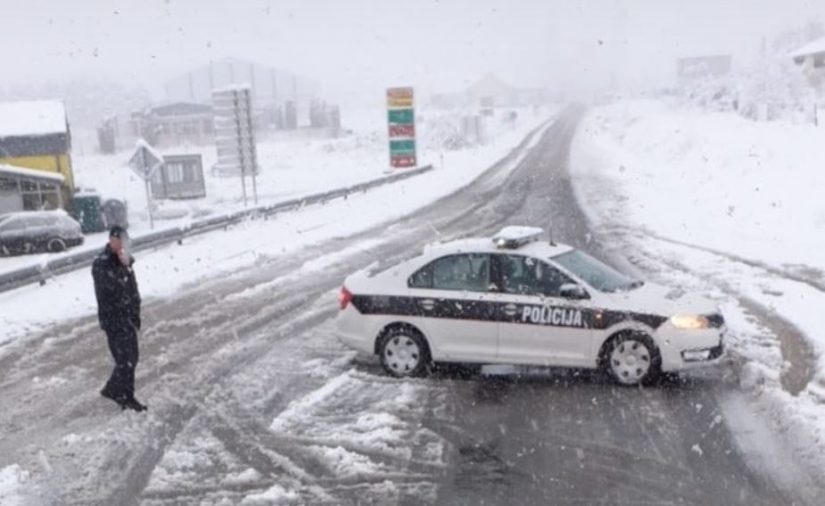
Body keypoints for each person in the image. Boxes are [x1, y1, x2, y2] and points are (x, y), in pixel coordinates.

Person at [92, 226, 147, 412]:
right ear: (112, 240)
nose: (123, 244)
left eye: (125, 241)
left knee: (132, 358)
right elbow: (111, 288)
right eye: (120, 240)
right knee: (124, 360)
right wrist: (122, 266)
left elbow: (132, 289)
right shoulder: (102, 263)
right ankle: (122, 394)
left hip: (128, 317)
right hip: (113, 319)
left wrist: (136, 312)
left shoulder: (124, 261)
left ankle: (117, 391)